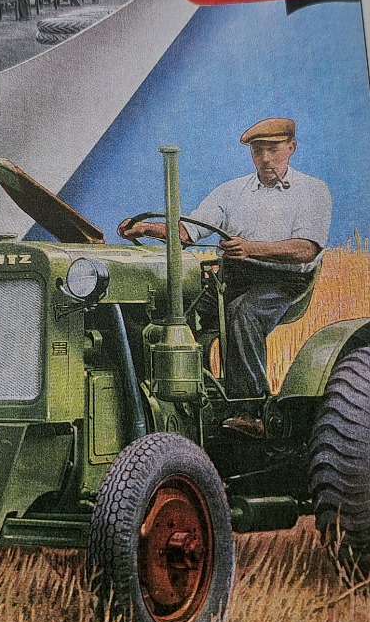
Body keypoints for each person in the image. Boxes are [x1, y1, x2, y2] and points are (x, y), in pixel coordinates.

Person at [118, 118, 332, 434]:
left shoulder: (312, 190)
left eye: (273, 150)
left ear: (291, 147)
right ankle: (176, 397)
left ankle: (251, 411)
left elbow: (305, 250)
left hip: (284, 281)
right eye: (258, 151)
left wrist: (250, 248)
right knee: (174, 318)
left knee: (243, 313)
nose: (266, 159)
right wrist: (145, 228)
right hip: (232, 276)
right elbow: (187, 232)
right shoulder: (231, 191)